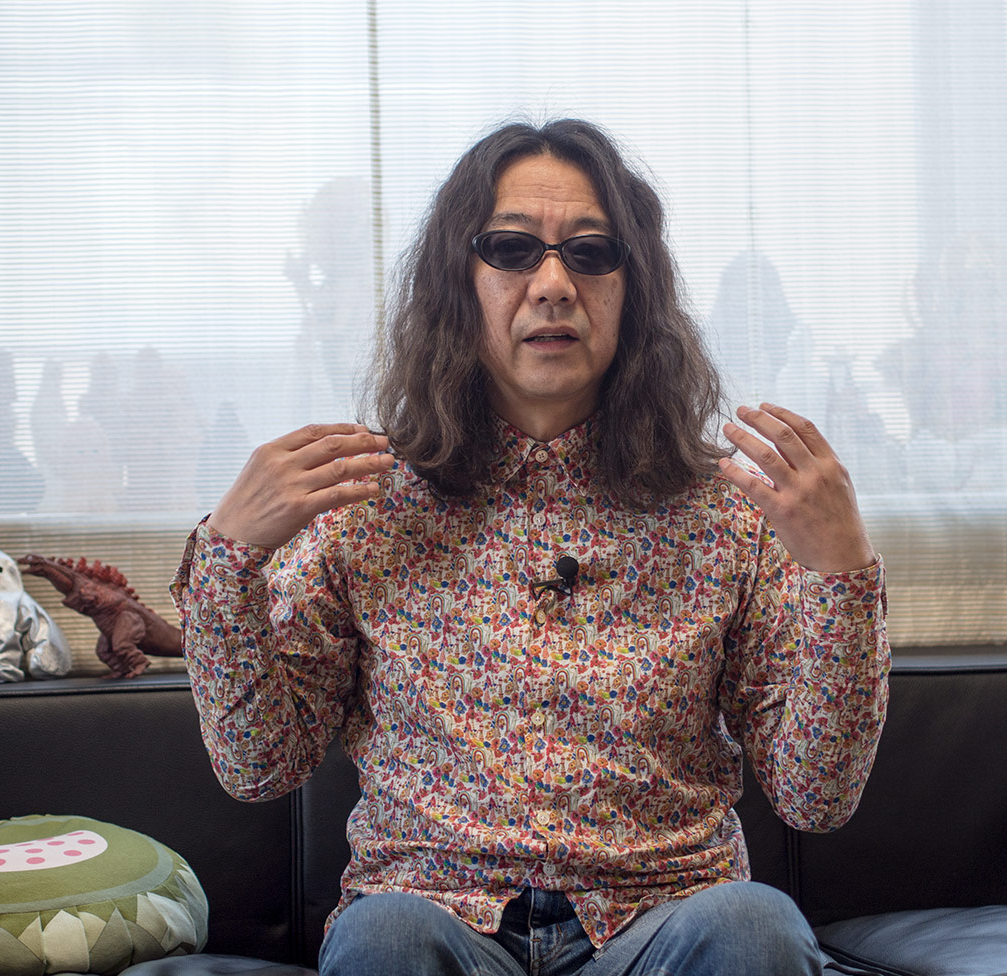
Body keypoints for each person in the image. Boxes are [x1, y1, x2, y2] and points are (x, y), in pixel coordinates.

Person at [172, 118, 889, 976]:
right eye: (512, 250)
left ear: (635, 290)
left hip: (664, 918)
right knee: (385, 939)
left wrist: (843, 573)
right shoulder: (365, 504)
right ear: (457, 283)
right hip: (434, 913)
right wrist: (229, 558)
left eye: (590, 253)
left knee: (757, 926)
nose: (553, 285)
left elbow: (816, 797)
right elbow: (259, 769)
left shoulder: (725, 512)